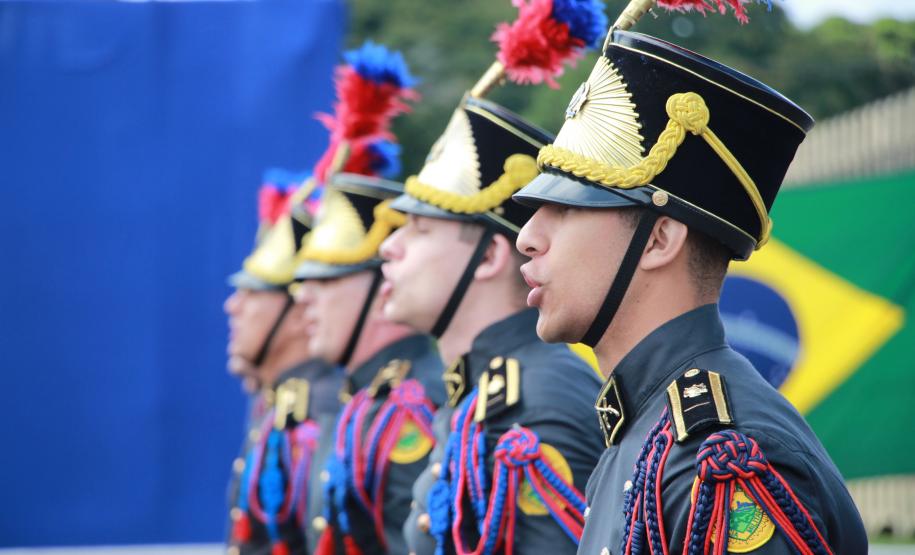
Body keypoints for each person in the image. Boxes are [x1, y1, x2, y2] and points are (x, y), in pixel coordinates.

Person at [511, 19, 868, 555]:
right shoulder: (645, 431)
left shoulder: (723, 456)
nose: (527, 237)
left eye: (566, 208)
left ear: (659, 239)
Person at [380, 94, 605, 555]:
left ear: (487, 257)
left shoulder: (536, 399)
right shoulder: (480, 395)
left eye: (419, 230)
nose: (389, 247)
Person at [294, 173, 445, 555]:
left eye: (327, 280)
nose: (303, 298)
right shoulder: (366, 397)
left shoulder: (411, 404)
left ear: (384, 288)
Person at [225, 172, 341, 555]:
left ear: (296, 314)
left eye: (251, 293)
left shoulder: (315, 411)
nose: (233, 306)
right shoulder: (283, 406)